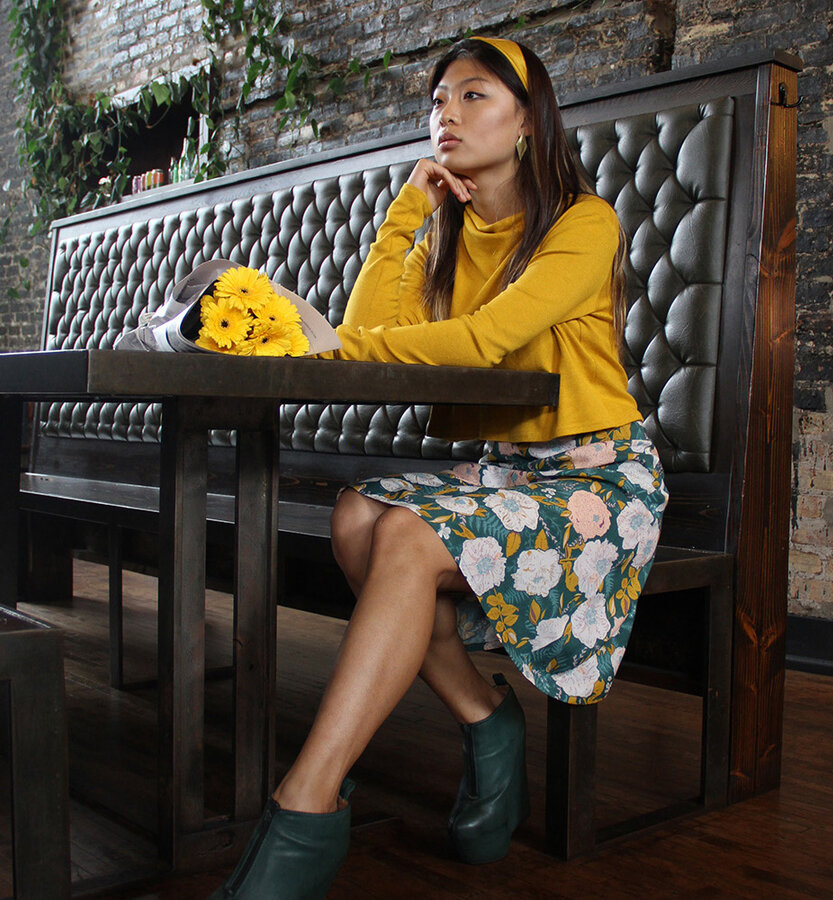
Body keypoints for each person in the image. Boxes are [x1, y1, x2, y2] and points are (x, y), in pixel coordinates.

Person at [208, 36, 668, 900]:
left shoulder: (583, 222)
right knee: (356, 514)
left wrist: (338, 347)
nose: (446, 114)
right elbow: (364, 333)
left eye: (473, 95)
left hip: (599, 480)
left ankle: (307, 802)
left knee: (409, 537)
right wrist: (407, 213)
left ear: (527, 121)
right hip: (508, 473)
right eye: (437, 101)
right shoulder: (447, 238)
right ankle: (486, 717)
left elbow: (484, 342)